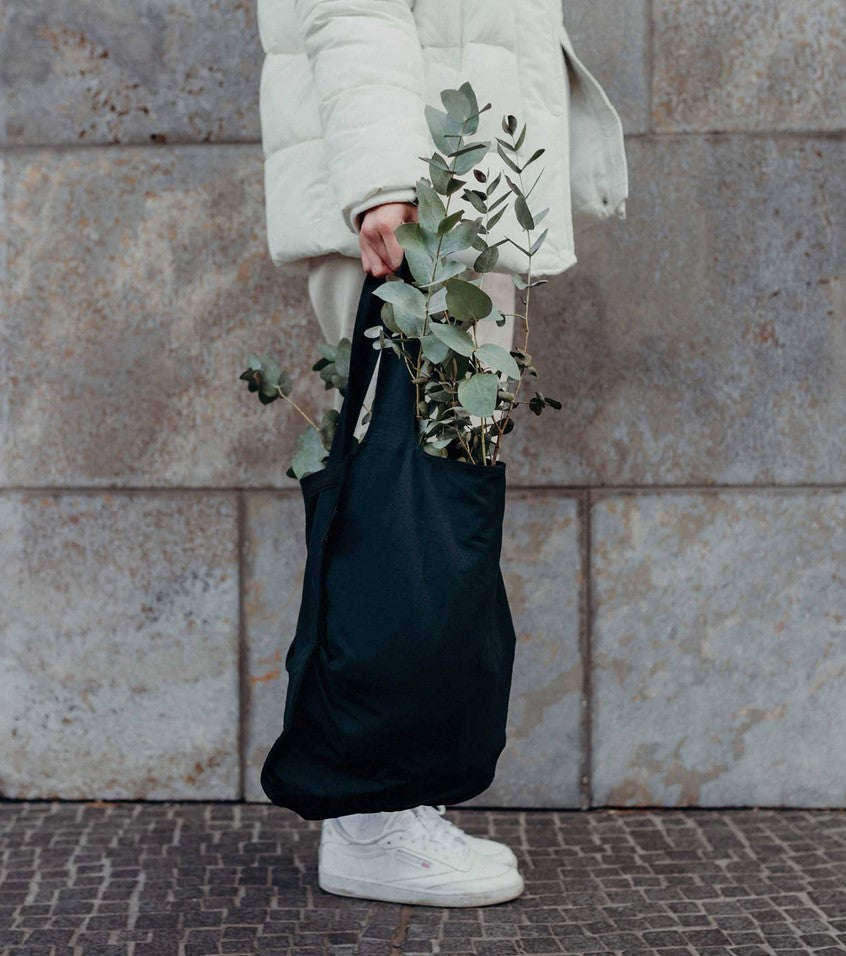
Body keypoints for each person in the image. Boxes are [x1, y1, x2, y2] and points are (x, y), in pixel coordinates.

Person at [256, 0, 629, 907]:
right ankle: (368, 817)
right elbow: (353, 8)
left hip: (446, 207)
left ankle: (390, 796)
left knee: (433, 508)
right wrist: (385, 178)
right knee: (401, 513)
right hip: (412, 211)